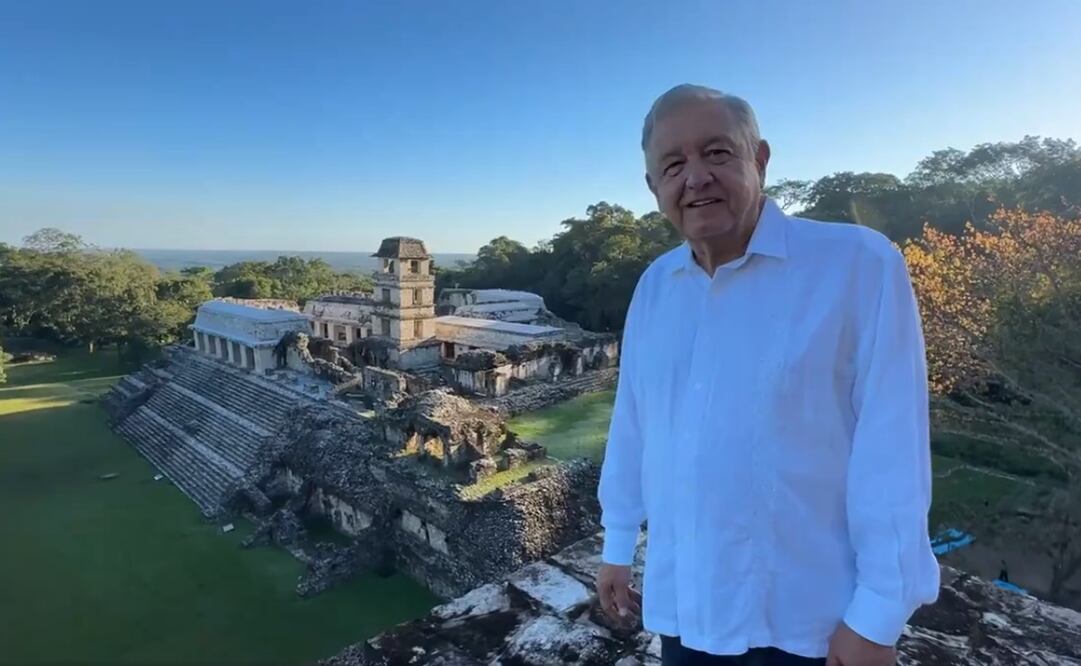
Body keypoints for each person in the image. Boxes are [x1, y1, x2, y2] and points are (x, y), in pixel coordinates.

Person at [596, 84, 941, 666]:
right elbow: (635, 424)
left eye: (717, 153)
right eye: (673, 164)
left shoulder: (858, 265)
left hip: (807, 622)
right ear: (654, 187)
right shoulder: (657, 285)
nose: (696, 177)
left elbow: (892, 448)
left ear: (759, 160)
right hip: (686, 607)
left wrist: (880, 616)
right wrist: (616, 543)